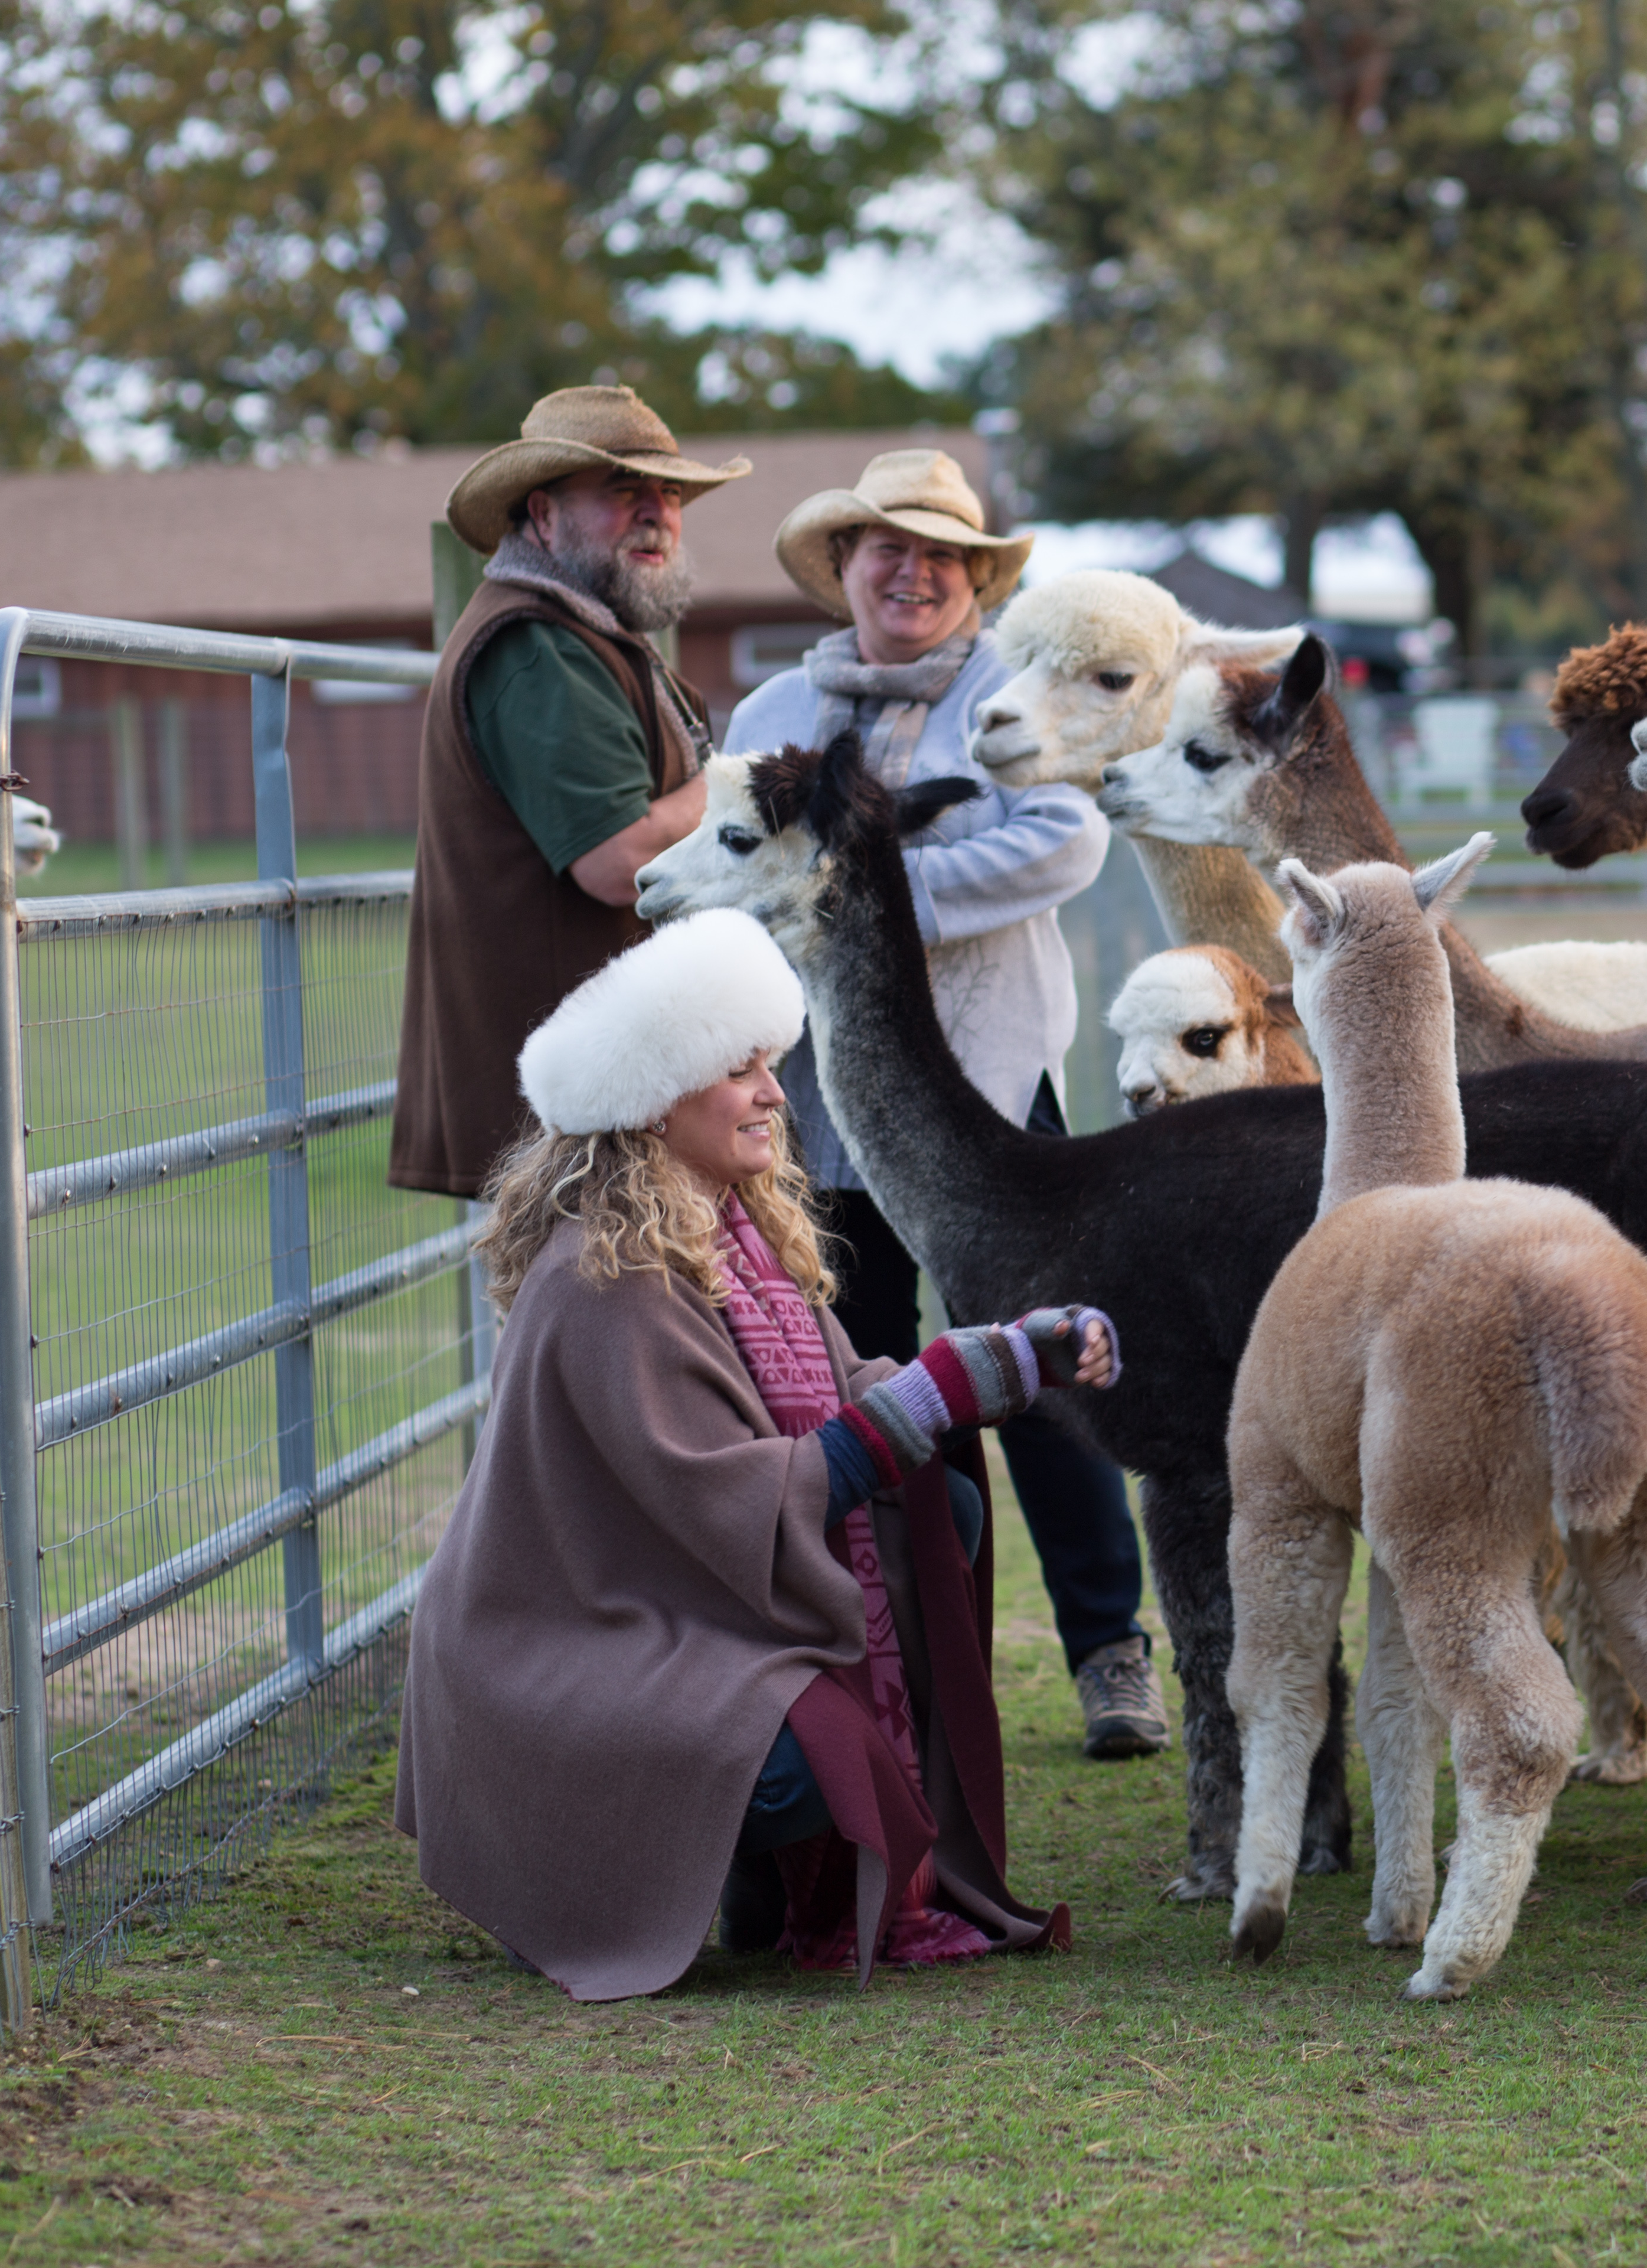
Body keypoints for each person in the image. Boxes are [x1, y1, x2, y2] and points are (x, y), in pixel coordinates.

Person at [396, 909, 1110, 1997]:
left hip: (674, 1613)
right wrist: (935, 1394)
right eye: (743, 1070)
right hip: (568, 1658)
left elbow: (837, 1402)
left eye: (771, 1066)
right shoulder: (609, 1278)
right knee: (818, 1757)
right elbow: (728, 1497)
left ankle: (760, 1874)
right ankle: (617, 1867)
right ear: (656, 1099)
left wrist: (1008, 1359)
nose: (778, 1094)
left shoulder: (729, 1234)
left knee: (943, 1516)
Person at [725, 448, 1170, 1764]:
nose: (913, 572)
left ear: (976, 577)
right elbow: (739, 855)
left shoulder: (1007, 691)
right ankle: (920, 1654)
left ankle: (1110, 1650)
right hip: (820, 1092)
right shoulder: (775, 710)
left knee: (1037, 1363)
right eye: (887, 548)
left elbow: (1063, 840)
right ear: (845, 567)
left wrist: (861, 897)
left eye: (943, 554)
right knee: (873, 1375)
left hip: (978, 1083)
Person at [392, 386, 749, 1200]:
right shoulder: (538, 648)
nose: (657, 514)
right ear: (543, 515)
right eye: (625, 494)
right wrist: (731, 789)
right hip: (575, 1121)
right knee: (598, 1323)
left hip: (598, 1101)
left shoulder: (587, 632)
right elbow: (619, 860)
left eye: (671, 495)